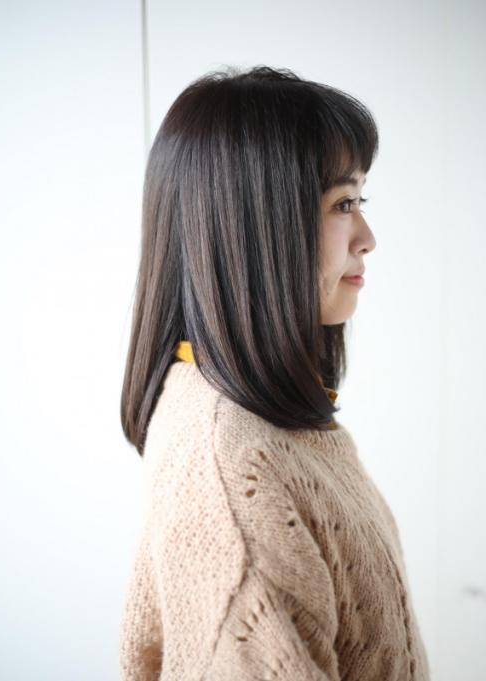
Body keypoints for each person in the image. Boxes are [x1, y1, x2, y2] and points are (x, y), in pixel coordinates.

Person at [118, 65, 431, 681]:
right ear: (257, 224)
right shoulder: (233, 474)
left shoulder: (256, 418)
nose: (367, 237)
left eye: (360, 201)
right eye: (343, 204)